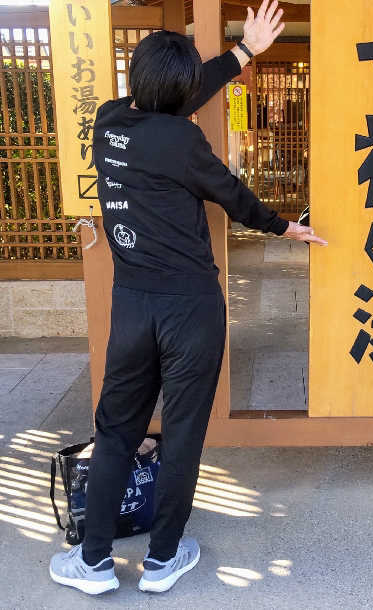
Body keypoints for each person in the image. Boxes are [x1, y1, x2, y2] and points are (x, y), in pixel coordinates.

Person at [49, 0, 325, 595]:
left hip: (133, 309)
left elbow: (171, 93)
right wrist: (286, 228)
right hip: (192, 311)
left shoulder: (107, 122)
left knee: (117, 430)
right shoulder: (184, 141)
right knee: (181, 434)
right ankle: (162, 562)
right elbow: (233, 195)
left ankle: (92, 562)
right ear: (181, 95)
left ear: (134, 83)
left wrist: (241, 53)